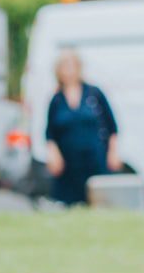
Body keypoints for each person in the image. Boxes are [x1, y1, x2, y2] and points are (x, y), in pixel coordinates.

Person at [44, 50, 121, 206]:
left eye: (72, 66)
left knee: (98, 198)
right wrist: (53, 155)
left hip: (95, 155)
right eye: (65, 66)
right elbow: (50, 132)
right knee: (69, 202)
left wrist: (114, 152)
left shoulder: (94, 94)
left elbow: (111, 126)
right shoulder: (57, 100)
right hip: (69, 159)